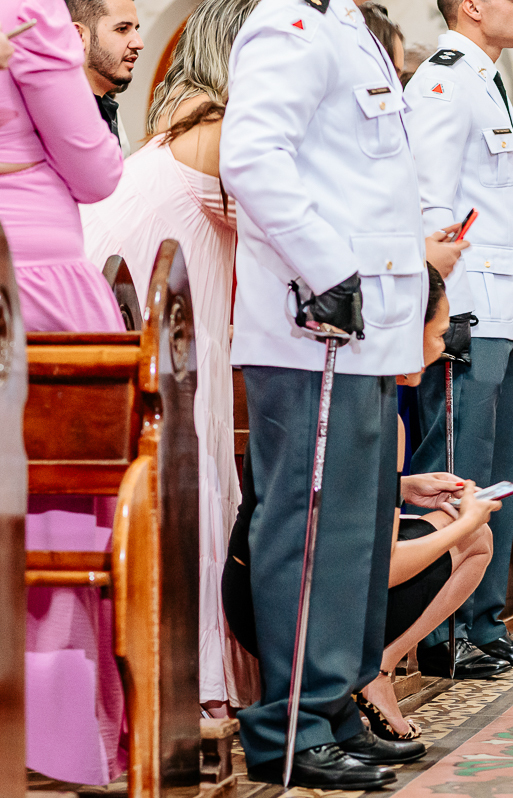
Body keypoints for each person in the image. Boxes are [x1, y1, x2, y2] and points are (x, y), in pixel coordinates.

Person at [220, 0, 431, 784]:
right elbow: (251, 157)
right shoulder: (289, 23)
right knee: (310, 531)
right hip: (316, 324)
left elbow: (373, 180)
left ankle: (335, 700)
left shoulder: (343, 23)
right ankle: (291, 725)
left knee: (358, 531)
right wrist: (325, 269)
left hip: (365, 327)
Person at [223, 267, 500, 742]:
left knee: (464, 530)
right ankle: (375, 670)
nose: (442, 348)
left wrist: (402, 487)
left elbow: (328, 505)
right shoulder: (379, 418)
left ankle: (377, 670)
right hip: (295, 614)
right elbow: (383, 569)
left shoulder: (340, 388)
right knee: (474, 537)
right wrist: (464, 523)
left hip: (253, 592)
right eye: (436, 335)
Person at [81, 0, 263, 717]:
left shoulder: (190, 114)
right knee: (194, 474)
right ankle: (193, 688)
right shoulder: (217, 127)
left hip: (167, 314)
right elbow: (290, 217)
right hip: (152, 319)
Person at [401, 0, 513, 678]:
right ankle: (440, 630)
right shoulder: (442, 80)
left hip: (508, 310)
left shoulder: (485, 79)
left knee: (498, 474)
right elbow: (433, 204)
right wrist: (440, 312)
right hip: (467, 311)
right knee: (457, 467)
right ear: (470, 6)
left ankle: (483, 620)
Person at [1, 0, 126, 783]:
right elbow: (98, 168)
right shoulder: (29, 10)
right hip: (31, 282)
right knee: (55, 506)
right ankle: (48, 732)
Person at [65, 0, 142, 155]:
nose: (139, 43)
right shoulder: (59, 116)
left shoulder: (107, 108)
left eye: (136, 29)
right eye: (122, 29)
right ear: (79, 36)